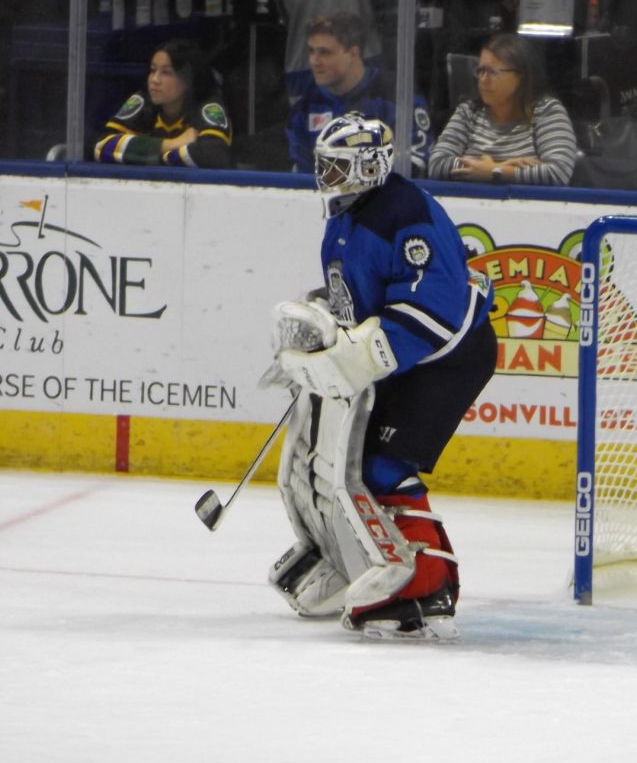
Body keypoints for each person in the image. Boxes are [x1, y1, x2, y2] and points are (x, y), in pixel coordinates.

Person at [264, 113, 496, 641]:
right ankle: (351, 559)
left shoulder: (405, 213)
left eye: (336, 165)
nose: (323, 175)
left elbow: (432, 312)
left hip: (445, 360)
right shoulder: (345, 214)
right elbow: (355, 301)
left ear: (369, 165)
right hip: (404, 357)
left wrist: (353, 353)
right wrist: (323, 335)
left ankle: (428, 582)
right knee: (337, 459)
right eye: (324, 164)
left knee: (381, 466)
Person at [285, 11, 433, 175]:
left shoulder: (398, 97)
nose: (314, 61)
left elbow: (416, 163)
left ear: (353, 54)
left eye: (324, 52)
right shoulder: (305, 109)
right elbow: (300, 178)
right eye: (311, 51)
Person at [427, 33, 578, 186]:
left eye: (492, 72)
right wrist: (494, 169)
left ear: (521, 77)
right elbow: (436, 164)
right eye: (480, 71)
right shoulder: (468, 111)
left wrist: (495, 172)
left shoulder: (547, 111)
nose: (483, 80)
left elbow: (558, 172)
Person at [93, 39, 232, 168]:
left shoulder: (208, 106)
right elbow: (101, 145)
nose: (155, 80)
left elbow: (214, 156)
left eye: (166, 72)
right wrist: (170, 145)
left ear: (189, 79)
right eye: (153, 70)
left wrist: (151, 157)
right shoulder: (145, 100)